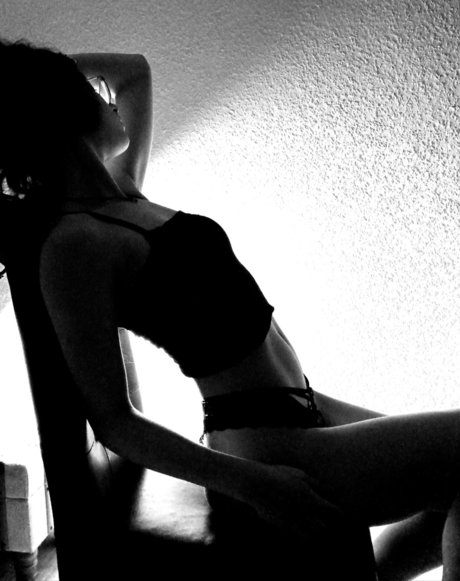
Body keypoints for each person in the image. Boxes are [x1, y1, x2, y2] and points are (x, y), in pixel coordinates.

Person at [0, 39, 458, 580]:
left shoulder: (122, 195)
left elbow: (135, 73)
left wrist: (47, 75)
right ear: (67, 113)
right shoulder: (75, 243)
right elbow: (115, 423)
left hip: (304, 408)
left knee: (447, 487)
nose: (112, 102)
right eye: (96, 96)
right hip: (267, 449)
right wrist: (254, 484)